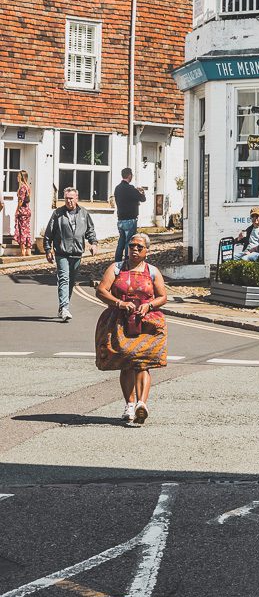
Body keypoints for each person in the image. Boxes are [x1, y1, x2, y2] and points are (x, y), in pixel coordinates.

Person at [95, 232, 168, 426]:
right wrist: (119, 303)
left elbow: (162, 296)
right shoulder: (116, 268)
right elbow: (101, 291)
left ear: (147, 251)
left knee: (142, 361)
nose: (134, 249)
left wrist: (149, 305)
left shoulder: (152, 271)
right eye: (132, 246)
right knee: (126, 360)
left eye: (139, 247)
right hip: (119, 321)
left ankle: (141, 404)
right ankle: (129, 404)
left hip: (146, 321)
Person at [44, 186, 97, 321]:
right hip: (62, 252)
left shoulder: (84, 213)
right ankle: (65, 308)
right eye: (66, 198)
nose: (69, 201)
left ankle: (63, 307)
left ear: (76, 198)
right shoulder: (58, 213)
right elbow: (49, 234)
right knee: (64, 279)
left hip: (77, 253)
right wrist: (48, 249)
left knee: (71, 281)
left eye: (71, 199)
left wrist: (93, 243)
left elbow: (90, 231)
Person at [113, 168, 146, 264]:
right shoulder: (130, 188)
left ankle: (117, 262)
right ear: (129, 175)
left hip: (120, 219)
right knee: (129, 242)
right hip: (130, 219)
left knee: (121, 243)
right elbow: (142, 199)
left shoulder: (117, 188)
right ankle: (127, 262)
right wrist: (142, 192)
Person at [13, 169, 32, 257]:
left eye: (18, 176)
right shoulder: (27, 187)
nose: (17, 177)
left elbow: (21, 200)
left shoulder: (22, 187)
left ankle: (23, 251)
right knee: (27, 230)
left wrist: (17, 210)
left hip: (22, 211)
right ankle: (28, 250)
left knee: (22, 231)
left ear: (21, 177)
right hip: (27, 211)